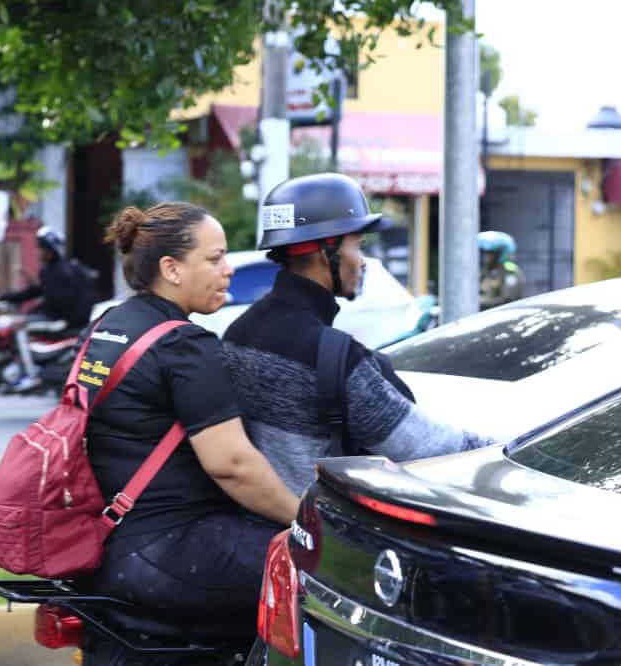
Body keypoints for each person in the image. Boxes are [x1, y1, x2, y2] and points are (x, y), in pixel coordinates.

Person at [82, 202, 299, 634]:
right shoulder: (185, 345)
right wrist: (304, 520)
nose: (228, 269)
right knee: (329, 573)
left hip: (110, 541)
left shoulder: (110, 325)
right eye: (214, 258)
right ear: (172, 268)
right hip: (172, 549)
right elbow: (232, 466)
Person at [222, 173, 495, 496]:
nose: (363, 262)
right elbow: (432, 447)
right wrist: (511, 451)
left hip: (259, 520)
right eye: (357, 245)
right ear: (327, 252)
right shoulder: (334, 356)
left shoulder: (238, 333)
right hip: (315, 531)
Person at [0, 225, 100, 391]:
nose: (38, 252)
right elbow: (35, 292)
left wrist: (35, 309)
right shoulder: (49, 270)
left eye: (42, 248)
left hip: (61, 320)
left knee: (18, 326)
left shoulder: (62, 271)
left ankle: (31, 375)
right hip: (53, 316)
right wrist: (5, 297)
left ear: (51, 250)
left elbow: (57, 301)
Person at [478, 230, 524, 310]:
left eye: (490, 253)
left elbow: (508, 299)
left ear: (500, 253)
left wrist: (481, 302)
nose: (486, 257)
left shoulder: (510, 272)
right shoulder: (485, 271)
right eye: (484, 253)